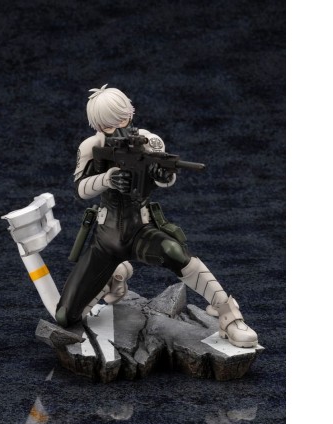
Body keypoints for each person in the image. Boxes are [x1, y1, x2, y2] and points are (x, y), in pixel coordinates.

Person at [55, 84, 258, 348]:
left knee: (174, 251)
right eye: (107, 125)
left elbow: (164, 177)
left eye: (121, 120)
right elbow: (80, 190)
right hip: (106, 239)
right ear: (97, 124)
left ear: (130, 114)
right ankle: (116, 275)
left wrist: (162, 175)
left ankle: (228, 314)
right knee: (65, 316)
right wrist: (107, 179)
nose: (116, 128)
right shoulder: (90, 146)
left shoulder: (149, 141)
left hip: (140, 230)